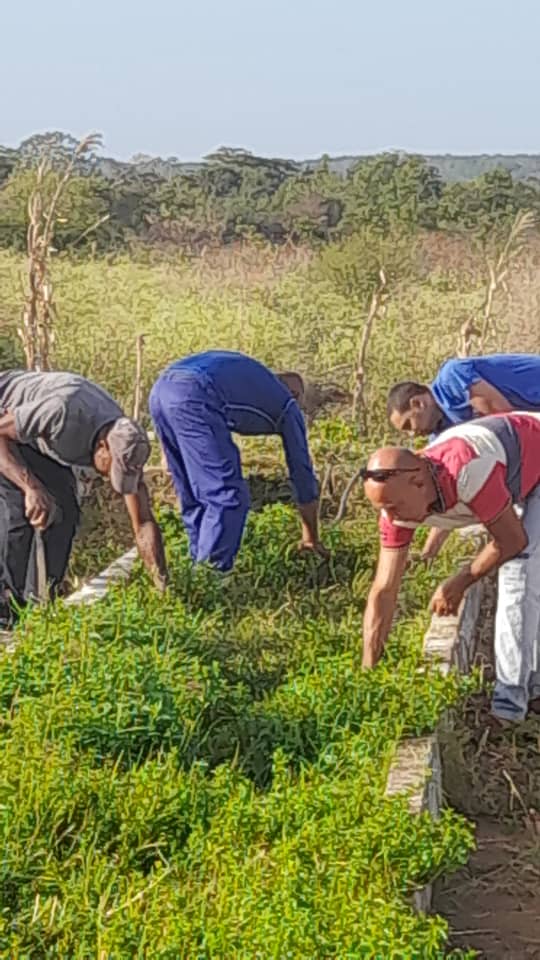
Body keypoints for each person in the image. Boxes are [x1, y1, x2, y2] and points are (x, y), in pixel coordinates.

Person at [361, 412, 540, 725]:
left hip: (533, 447)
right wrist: (368, 672)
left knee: (518, 573)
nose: (390, 516)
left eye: (393, 507)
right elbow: (384, 590)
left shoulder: (468, 469)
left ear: (418, 482)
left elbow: (512, 540)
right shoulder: (399, 505)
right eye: (382, 510)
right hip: (516, 466)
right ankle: (533, 686)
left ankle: (508, 709)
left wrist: (460, 581)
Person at [0, 369, 168, 627]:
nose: (111, 479)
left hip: (37, 441)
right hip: (5, 424)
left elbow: (143, 522)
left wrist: (161, 584)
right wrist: (30, 487)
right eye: (111, 470)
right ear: (102, 446)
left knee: (64, 512)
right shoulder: (63, 411)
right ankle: (6, 611)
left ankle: (43, 607)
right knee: (19, 513)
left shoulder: (126, 443)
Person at [149, 350, 326, 572]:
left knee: (194, 495)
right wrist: (311, 537)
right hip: (196, 393)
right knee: (227, 496)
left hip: (161, 390)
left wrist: (170, 451)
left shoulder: (252, 380)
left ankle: (195, 566)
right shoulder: (287, 404)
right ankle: (208, 578)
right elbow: (302, 472)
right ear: (295, 393)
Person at [387, 353, 540, 560]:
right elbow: (450, 492)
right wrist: (429, 553)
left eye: (408, 425)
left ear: (418, 404)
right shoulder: (442, 438)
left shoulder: (452, 377)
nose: (413, 434)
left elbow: (505, 422)